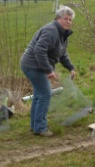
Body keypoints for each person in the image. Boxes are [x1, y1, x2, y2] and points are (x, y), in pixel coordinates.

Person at [20, 6, 76, 137]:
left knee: (40, 95)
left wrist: (71, 68)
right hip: (33, 66)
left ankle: (35, 126)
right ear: (57, 19)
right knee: (45, 94)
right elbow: (39, 50)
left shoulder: (62, 34)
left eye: (70, 19)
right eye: (65, 19)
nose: (68, 22)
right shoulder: (52, 31)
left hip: (36, 66)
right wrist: (49, 70)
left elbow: (62, 54)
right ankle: (40, 128)